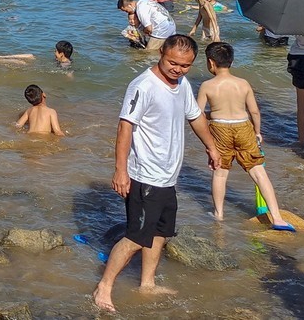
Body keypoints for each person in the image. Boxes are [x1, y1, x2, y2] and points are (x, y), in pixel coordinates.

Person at [92, 35, 220, 313]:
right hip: (144, 176)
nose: (178, 69)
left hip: (168, 176)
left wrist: (211, 147)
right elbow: (125, 127)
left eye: (185, 65)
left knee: (161, 232)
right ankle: (104, 286)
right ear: (161, 52)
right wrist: (120, 170)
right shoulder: (143, 86)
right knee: (136, 237)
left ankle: (147, 283)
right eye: (173, 62)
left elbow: (195, 116)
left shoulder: (182, 84)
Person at [196, 42, 293, 229]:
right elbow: (254, 111)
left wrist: (212, 117)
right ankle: (277, 217)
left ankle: (219, 214)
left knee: (220, 173)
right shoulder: (243, 84)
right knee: (258, 172)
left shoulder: (207, 86)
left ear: (210, 62)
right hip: (243, 127)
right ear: (231, 62)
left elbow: (197, 114)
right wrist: (257, 132)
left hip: (220, 128)